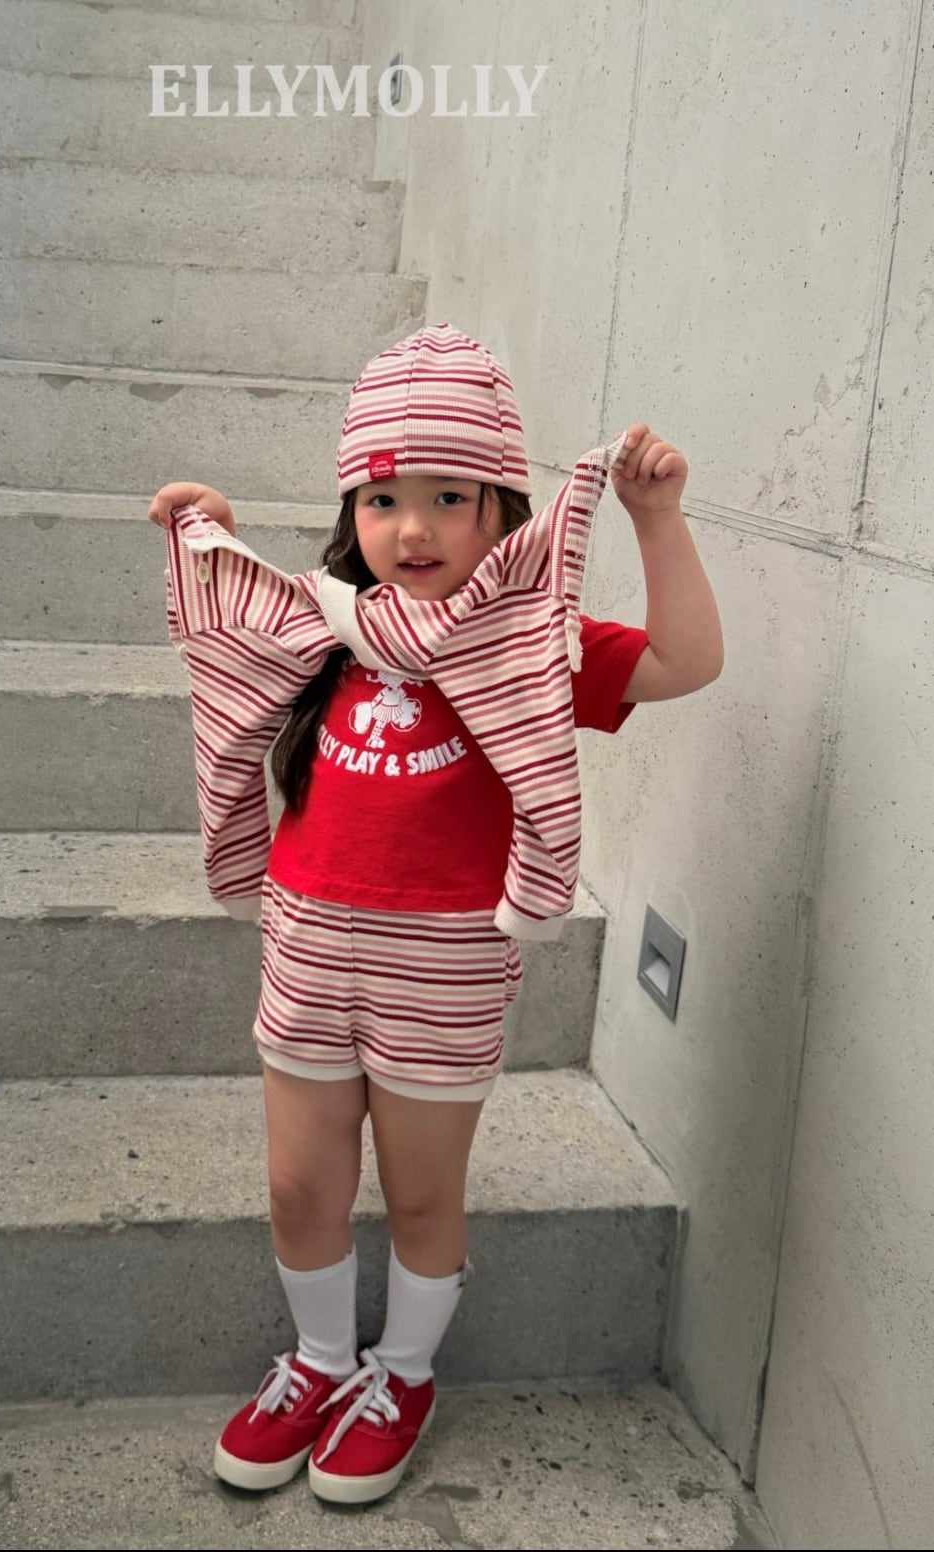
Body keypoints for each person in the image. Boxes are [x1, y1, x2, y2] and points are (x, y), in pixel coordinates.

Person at [147, 323, 724, 1506]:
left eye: (448, 498)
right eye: (383, 499)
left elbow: (686, 661)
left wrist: (656, 519)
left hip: (445, 966)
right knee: (299, 1186)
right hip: (310, 953)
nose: (412, 528)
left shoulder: (530, 645)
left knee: (420, 1195)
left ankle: (401, 1374)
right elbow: (227, 632)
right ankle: (319, 1359)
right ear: (351, 511)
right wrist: (211, 537)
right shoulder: (319, 630)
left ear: (502, 510)